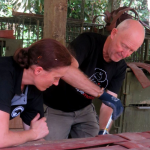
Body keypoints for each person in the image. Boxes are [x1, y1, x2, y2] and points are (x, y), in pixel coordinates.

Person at [43, 19, 145, 140]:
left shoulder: (120, 66)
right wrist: (100, 93)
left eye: (131, 50)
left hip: (84, 109)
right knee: (53, 146)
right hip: (57, 107)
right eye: (124, 46)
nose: (125, 54)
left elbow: (108, 104)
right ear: (113, 33)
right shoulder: (87, 41)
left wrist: (104, 129)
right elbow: (65, 70)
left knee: (97, 143)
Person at [0, 38, 73, 148]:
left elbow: (38, 136)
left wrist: (35, 135)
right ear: (38, 70)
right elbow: (2, 139)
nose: (56, 83)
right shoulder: (4, 74)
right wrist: (32, 134)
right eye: (56, 77)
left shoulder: (34, 86)